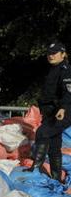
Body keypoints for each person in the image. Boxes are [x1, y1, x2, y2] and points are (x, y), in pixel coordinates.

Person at [29, 41, 71, 180]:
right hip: (50, 113)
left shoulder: (65, 70)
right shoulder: (53, 69)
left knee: (42, 132)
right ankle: (56, 178)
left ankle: (36, 168)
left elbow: (68, 92)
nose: (51, 56)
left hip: (62, 113)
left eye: (54, 53)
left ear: (63, 54)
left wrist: (63, 108)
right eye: (49, 53)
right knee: (54, 146)